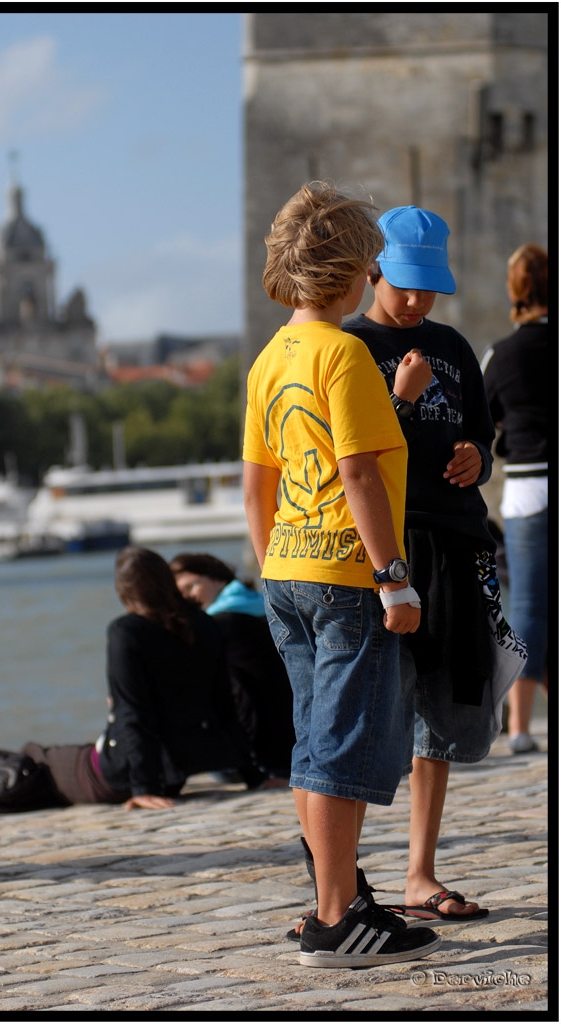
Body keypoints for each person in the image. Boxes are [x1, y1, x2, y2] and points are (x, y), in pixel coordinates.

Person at [242, 180, 441, 968]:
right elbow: (357, 471)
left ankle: (337, 901)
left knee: (312, 741)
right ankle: (336, 917)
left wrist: (269, 571)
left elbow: (259, 481)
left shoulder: (271, 359)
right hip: (346, 571)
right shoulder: (344, 351)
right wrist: (393, 576)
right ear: (358, 270)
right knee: (342, 745)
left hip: (286, 568)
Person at [340, 205, 499, 923]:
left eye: (429, 287)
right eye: (405, 285)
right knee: (368, 714)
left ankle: (419, 873)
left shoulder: (453, 345)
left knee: (437, 719)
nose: (417, 301)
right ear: (373, 271)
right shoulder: (349, 346)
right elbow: (354, 461)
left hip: (455, 542)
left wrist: (477, 457)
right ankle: (341, 886)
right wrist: (398, 403)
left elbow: (479, 434)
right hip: (385, 552)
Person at [0, 546, 283, 817]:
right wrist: (254, 773)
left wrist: (143, 788)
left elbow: (133, 711)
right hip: (174, 767)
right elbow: (223, 704)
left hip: (122, 772)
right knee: (42, 777)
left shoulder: (128, 632)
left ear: (126, 594)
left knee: (35, 763)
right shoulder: (204, 625)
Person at [481, 243, 548, 754]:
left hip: (528, 486)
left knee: (526, 605)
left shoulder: (502, 354)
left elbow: (484, 422)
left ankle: (522, 727)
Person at [170, 551, 295, 778]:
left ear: (217, 578)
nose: (187, 597)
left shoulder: (218, 624)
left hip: (263, 749)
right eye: (181, 593)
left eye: (191, 586)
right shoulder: (268, 604)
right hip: (295, 735)